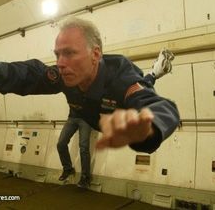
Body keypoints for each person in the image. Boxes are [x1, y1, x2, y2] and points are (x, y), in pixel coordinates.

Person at [0, 18, 180, 165]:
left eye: (69, 53)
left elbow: (163, 108)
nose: (60, 62)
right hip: (88, 113)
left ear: (96, 54)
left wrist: (147, 129)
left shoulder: (122, 78)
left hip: (120, 102)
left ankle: (153, 72)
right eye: (57, 54)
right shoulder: (64, 74)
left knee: (145, 84)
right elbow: (21, 74)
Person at [57, 47, 175, 188]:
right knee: (61, 143)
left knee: (83, 147)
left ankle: (85, 178)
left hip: (87, 119)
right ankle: (68, 168)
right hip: (73, 116)